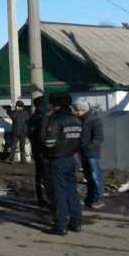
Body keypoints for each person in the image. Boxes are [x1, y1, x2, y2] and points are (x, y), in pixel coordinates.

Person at [43, 93, 82, 236]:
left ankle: (61, 226)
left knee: (59, 192)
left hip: (57, 159)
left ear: (56, 105)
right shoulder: (76, 120)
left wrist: (46, 151)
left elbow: (50, 142)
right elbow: (79, 140)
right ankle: (76, 223)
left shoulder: (56, 120)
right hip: (71, 158)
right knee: (72, 191)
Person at [74, 100, 105, 209]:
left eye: (78, 110)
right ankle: (90, 198)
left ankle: (99, 199)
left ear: (83, 110)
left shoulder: (94, 120)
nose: (76, 112)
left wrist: (87, 146)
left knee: (95, 177)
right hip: (84, 153)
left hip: (92, 154)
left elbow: (98, 137)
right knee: (89, 177)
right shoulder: (82, 120)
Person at [28, 95, 53, 206]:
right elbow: (31, 134)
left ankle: (49, 197)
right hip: (39, 151)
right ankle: (41, 197)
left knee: (49, 175)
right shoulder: (34, 118)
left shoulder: (49, 117)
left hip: (47, 151)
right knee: (40, 174)